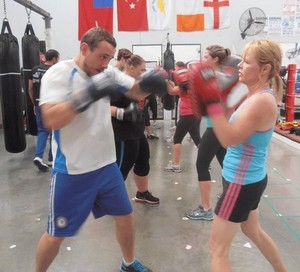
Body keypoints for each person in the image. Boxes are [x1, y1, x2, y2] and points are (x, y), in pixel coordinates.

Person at [35, 27, 168, 272]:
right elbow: (51, 119)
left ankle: (128, 264)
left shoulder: (107, 74)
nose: (106, 63)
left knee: (126, 216)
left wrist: (152, 82)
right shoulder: (59, 74)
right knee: (56, 234)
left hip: (106, 166)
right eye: (102, 56)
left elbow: (135, 90)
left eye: (110, 57)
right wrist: (88, 94)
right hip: (73, 171)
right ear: (85, 48)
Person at [189, 39, 287, 271]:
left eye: (247, 61)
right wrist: (214, 96)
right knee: (253, 230)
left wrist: (210, 102)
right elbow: (228, 116)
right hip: (248, 179)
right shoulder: (252, 95)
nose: (240, 65)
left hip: (240, 183)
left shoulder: (261, 101)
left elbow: (229, 138)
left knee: (217, 249)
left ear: (264, 69)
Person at [186, 45, 229, 220]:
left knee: (201, 165)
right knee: (226, 162)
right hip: (218, 127)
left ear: (215, 59)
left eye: (206, 57)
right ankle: (230, 196)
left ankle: (206, 209)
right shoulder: (216, 77)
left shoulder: (217, 78)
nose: (203, 60)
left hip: (215, 128)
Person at [111, 54, 160, 204]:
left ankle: (142, 193)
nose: (144, 72)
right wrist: (121, 113)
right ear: (131, 67)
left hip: (137, 131)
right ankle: (111, 199)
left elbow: (140, 98)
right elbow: (103, 106)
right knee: (122, 167)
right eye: (142, 69)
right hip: (124, 133)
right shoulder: (117, 83)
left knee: (143, 161)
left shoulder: (135, 84)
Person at [164, 61, 201, 173]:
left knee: (177, 139)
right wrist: (170, 81)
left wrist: (164, 80)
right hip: (196, 114)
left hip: (187, 115)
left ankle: (176, 165)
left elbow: (171, 91)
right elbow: (175, 87)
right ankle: (205, 161)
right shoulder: (195, 83)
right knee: (196, 138)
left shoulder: (185, 85)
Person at [28, 49, 60, 171]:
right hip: (51, 104)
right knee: (54, 132)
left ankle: (38, 157)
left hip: (39, 104)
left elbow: (30, 88)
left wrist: (34, 104)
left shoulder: (34, 69)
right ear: (54, 59)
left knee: (42, 131)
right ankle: (52, 159)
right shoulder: (55, 70)